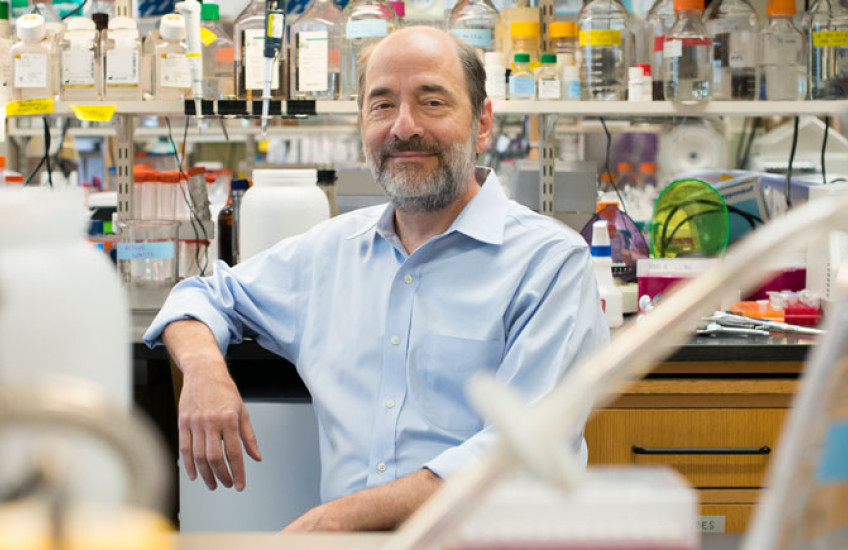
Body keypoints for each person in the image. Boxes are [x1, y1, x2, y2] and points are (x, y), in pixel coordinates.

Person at [144, 26, 609, 532]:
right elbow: (202, 296)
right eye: (382, 105)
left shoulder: (549, 264)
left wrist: (332, 524)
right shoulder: (329, 253)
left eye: (432, 102)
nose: (403, 127)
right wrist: (205, 372)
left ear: (482, 123)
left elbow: (521, 453)